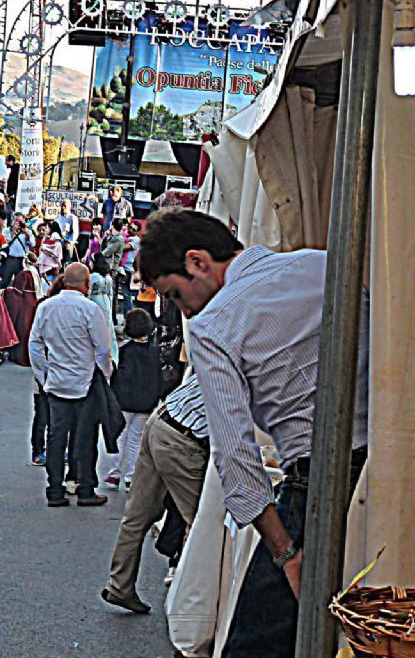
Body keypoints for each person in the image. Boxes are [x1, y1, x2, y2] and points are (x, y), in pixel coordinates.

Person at [138, 209, 369, 658]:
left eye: (177, 295)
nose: (184, 311)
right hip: (384, 468)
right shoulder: (320, 264)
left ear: (197, 261)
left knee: (254, 645)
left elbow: (235, 455)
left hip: (316, 487)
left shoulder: (212, 326)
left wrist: (285, 554)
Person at [102, 372, 209, 614]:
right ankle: (188, 607)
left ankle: (119, 586)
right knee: (200, 526)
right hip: (184, 437)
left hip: (162, 419)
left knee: (136, 516)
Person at [28, 262, 114, 508]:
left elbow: (35, 344)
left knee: (56, 438)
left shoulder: (46, 307)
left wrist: (43, 374)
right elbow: (102, 349)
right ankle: (85, 488)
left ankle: (55, 489)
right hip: (85, 382)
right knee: (85, 438)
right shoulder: (90, 310)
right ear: (86, 284)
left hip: (56, 382)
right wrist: (104, 374)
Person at [103, 309, 158, 491]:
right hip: (146, 403)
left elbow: (119, 376)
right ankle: (131, 477)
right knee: (136, 440)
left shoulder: (125, 350)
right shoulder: (154, 350)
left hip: (125, 401)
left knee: (120, 436)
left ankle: (114, 473)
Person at [3, 258, 40, 367]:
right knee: (29, 328)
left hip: (24, 303)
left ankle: (20, 356)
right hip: (33, 301)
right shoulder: (35, 274)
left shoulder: (24, 274)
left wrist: (6, 291)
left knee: (22, 329)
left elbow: (17, 291)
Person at [88, 253, 119, 366]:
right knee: (108, 326)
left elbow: (89, 292)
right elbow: (111, 293)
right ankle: (113, 354)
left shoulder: (93, 276)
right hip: (106, 300)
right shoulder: (108, 276)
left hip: (96, 301)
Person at [0, 214, 34, 287]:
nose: (18, 223)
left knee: (20, 283)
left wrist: (26, 233)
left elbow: (32, 244)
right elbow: (5, 243)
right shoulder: (6, 231)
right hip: (9, 259)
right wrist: (13, 232)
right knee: (5, 282)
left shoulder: (28, 231)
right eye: (16, 221)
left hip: (22, 260)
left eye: (20, 221)